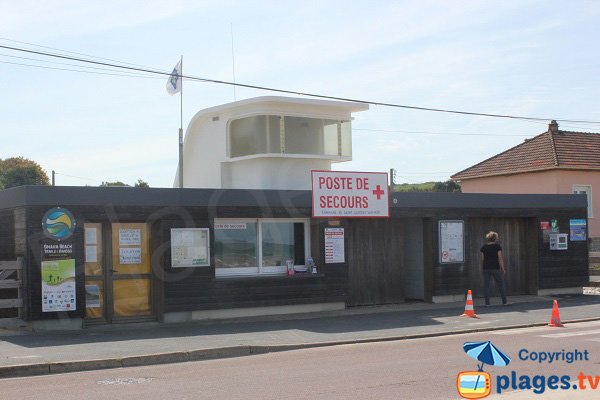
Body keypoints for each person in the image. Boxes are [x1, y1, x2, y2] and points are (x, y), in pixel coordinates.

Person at [480, 231, 509, 306]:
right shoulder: (497, 247)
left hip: (486, 268)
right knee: (501, 285)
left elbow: (482, 259)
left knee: (486, 286)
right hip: (495, 268)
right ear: (494, 238)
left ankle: (487, 304)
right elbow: (500, 258)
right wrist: (502, 268)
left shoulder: (483, 247)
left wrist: (482, 268)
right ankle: (504, 302)